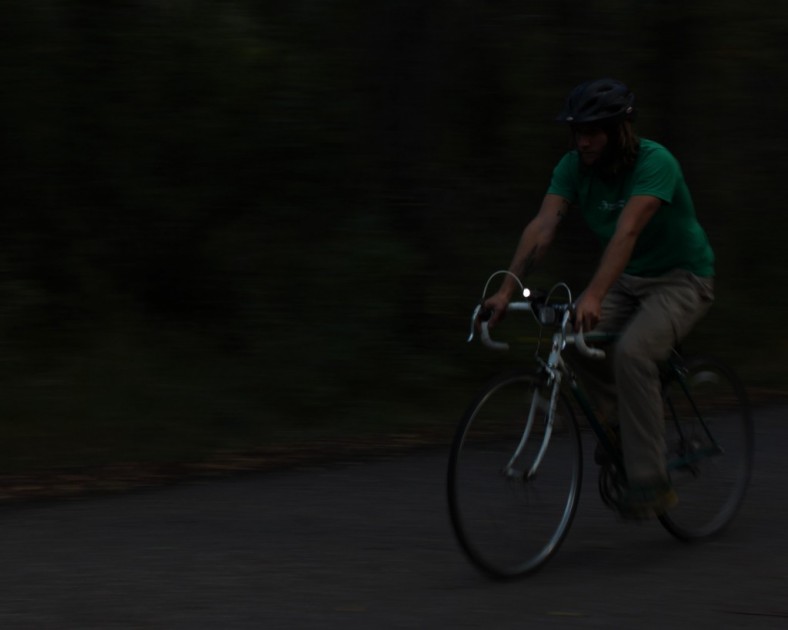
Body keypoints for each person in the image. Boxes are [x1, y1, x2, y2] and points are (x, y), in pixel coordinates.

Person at [483, 78, 715, 518]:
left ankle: (652, 485)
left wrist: (593, 294)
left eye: (592, 131)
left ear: (618, 131)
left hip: (682, 279)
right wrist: (505, 289)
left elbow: (627, 231)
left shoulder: (655, 162)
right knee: (571, 332)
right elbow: (543, 227)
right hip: (629, 279)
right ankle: (622, 426)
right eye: (576, 131)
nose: (582, 140)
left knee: (632, 353)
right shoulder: (574, 167)